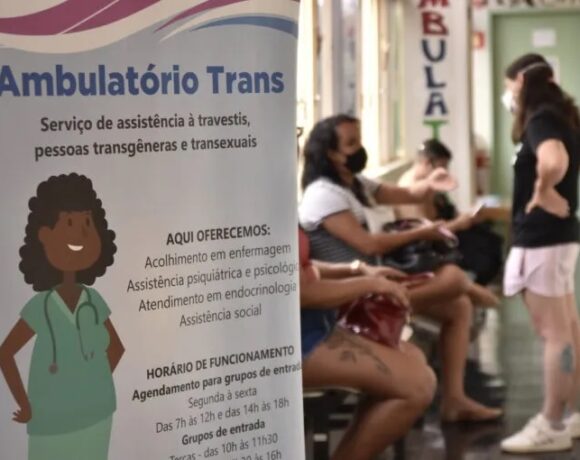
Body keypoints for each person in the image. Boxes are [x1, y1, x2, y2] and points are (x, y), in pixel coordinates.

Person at [299, 114, 502, 422]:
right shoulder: (323, 194)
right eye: (351, 144)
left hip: (373, 277)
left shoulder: (356, 184)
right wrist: (425, 231)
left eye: (359, 140)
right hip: (348, 295)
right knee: (455, 279)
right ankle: (465, 292)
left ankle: (455, 400)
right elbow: (369, 245)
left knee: (459, 306)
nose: (359, 149)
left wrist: (431, 182)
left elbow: (410, 194)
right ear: (330, 153)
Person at [0, 173, 124, 460]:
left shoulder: (93, 300)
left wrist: (91, 383)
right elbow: (5, 353)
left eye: (87, 223)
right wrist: (26, 405)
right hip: (51, 423)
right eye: (69, 223)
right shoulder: (40, 306)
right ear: (44, 235)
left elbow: (116, 348)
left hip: (97, 416)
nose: (81, 234)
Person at [500, 54, 580, 454]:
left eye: (509, 87)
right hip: (560, 238)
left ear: (520, 82)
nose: (509, 96)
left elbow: (554, 160)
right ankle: (573, 413)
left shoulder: (540, 119)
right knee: (567, 330)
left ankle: (551, 421)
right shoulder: (561, 115)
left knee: (555, 335)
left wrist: (542, 191)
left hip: (542, 240)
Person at [299, 227, 435, 460]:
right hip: (290, 346)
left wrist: (356, 269)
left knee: (414, 358)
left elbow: (303, 266)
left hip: (316, 327)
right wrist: (369, 284)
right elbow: (298, 292)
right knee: (418, 386)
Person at [397, 139, 504, 293]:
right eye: (442, 167)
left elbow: (443, 215)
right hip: (432, 245)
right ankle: (475, 290)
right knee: (483, 251)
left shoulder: (428, 184)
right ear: (427, 163)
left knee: (489, 233)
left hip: (445, 233)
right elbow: (425, 233)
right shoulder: (411, 189)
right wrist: (459, 223)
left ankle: (480, 289)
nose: (445, 172)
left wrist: (466, 217)